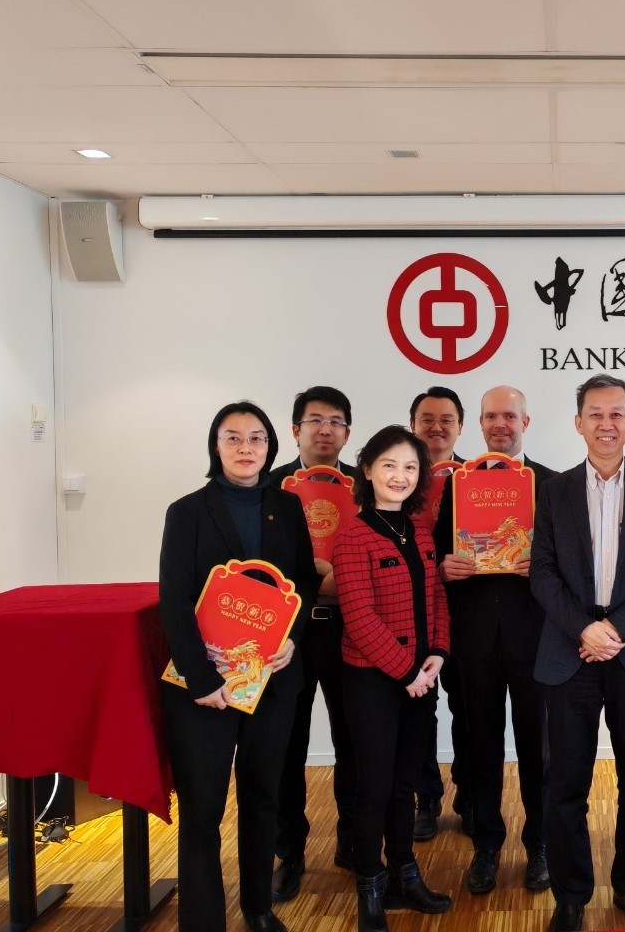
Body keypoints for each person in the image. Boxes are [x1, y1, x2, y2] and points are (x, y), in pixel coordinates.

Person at [158, 400, 320, 932]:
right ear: (216, 445)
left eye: (256, 438)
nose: (246, 448)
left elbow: (303, 580)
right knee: (202, 810)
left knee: (262, 796)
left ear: (271, 446)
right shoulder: (187, 511)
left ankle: (257, 908)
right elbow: (174, 599)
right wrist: (202, 680)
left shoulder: (288, 506)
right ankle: (203, 921)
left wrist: (292, 636)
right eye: (233, 437)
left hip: (271, 677)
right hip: (204, 687)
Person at [530, 374, 625, 932]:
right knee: (566, 783)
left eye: (617, 413)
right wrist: (585, 630)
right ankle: (571, 896)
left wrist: (615, 628)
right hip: (568, 653)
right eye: (595, 413)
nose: (606, 423)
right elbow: (541, 572)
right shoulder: (554, 490)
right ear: (578, 423)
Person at [434, 385, 556, 895]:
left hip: (537, 640)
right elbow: (438, 554)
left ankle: (541, 844)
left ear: (525, 421)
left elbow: (572, 563)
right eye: (491, 416)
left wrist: (543, 566)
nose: (500, 424)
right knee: (479, 748)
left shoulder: (550, 484)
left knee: (539, 752)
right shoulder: (457, 485)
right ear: (480, 424)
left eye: (509, 415)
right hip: (475, 639)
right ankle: (486, 846)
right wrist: (446, 567)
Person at [333, 425, 453, 931]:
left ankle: (406, 873)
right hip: (373, 682)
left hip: (421, 678)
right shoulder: (352, 536)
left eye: (409, 467)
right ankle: (370, 882)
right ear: (367, 470)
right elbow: (359, 617)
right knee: (374, 786)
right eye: (389, 465)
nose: (399, 476)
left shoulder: (419, 531)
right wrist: (406, 672)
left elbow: (437, 597)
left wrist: (438, 653)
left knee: (405, 784)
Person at [271, 386, 357, 902]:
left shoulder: (366, 485)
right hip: (289, 636)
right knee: (287, 745)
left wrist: (339, 579)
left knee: (355, 740)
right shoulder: (270, 487)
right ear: (295, 430)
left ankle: (353, 840)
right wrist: (314, 578)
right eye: (315, 420)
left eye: (336, 421)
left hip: (351, 629)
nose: (325, 430)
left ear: (347, 432)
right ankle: (289, 851)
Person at [408, 385, 470, 840]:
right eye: (427, 419)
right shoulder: (397, 477)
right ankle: (426, 798)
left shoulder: (479, 479)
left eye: (446, 419)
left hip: (465, 613)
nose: (436, 427)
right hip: (410, 614)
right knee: (419, 713)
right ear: (412, 425)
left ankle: (470, 793)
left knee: (468, 709)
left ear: (461, 427)